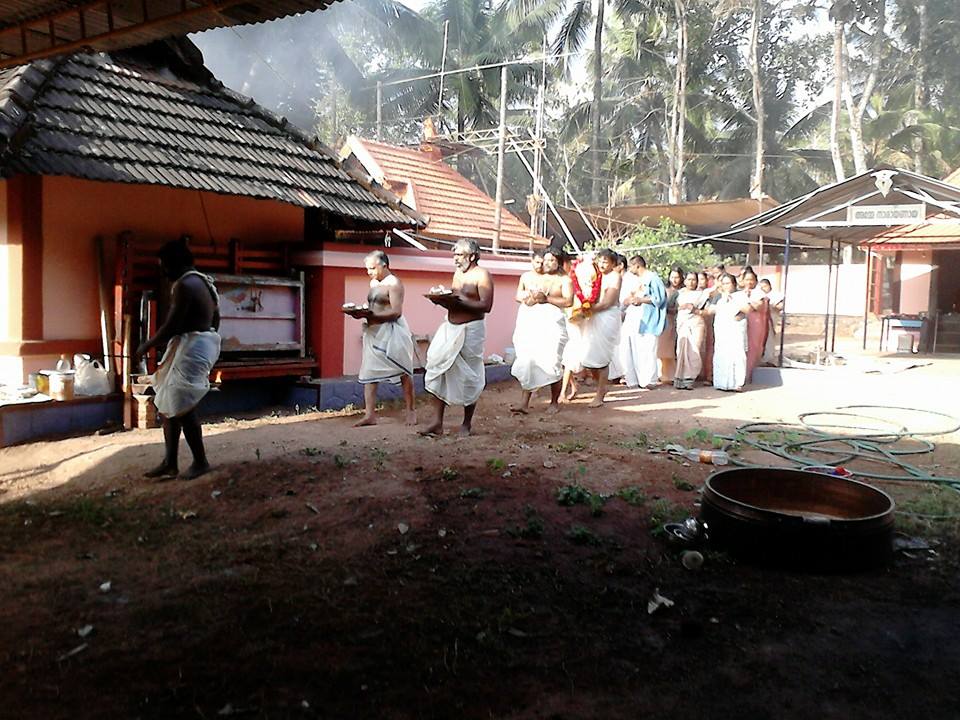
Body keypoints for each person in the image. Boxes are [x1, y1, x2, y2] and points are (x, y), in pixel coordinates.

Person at [136, 239, 221, 480]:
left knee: (182, 405)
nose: (162, 272)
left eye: (164, 266)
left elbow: (173, 324)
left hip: (193, 347)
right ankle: (169, 462)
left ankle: (200, 462)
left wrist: (147, 345)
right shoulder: (203, 281)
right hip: (200, 344)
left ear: (175, 263)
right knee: (169, 403)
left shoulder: (184, 285)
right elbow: (216, 319)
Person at [421, 238, 494, 436]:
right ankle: (437, 422)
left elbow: (486, 306)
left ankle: (466, 423)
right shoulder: (458, 274)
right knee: (439, 367)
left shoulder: (482, 275)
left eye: (459, 255)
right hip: (450, 327)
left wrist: (460, 301)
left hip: (471, 330)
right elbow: (455, 301)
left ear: (471, 256)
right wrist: (442, 300)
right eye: (454, 255)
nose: (455, 259)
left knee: (469, 375)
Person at [348, 250, 416, 427]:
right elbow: (374, 306)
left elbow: (396, 311)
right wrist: (362, 313)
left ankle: (411, 411)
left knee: (404, 370)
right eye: (367, 268)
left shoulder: (394, 283)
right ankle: (369, 414)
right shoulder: (373, 283)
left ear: (384, 265)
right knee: (369, 371)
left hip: (392, 331)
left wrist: (373, 315)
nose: (369, 272)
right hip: (373, 331)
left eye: (372, 268)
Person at [510, 249, 573, 414]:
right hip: (532, 324)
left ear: (558, 261)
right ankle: (524, 403)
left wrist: (547, 299)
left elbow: (568, 301)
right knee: (529, 361)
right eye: (546, 260)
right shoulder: (535, 277)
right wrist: (530, 299)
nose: (547, 263)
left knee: (552, 362)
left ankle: (554, 402)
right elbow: (523, 296)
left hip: (553, 323)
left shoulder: (564, 280)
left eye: (552, 260)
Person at [575, 248, 622, 407]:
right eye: (600, 260)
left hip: (606, 316)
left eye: (606, 261)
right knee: (589, 358)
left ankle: (600, 394)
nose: (602, 264)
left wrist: (587, 309)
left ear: (613, 264)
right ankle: (601, 388)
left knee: (602, 357)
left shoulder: (615, 277)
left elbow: (608, 302)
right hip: (593, 316)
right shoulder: (595, 274)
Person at [618, 255, 666, 389]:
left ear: (637, 266)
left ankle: (650, 380)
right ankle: (635, 380)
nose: (630, 269)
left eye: (631, 266)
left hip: (649, 319)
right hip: (636, 319)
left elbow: (659, 299)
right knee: (634, 350)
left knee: (648, 350)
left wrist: (641, 300)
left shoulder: (653, 278)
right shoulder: (636, 280)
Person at [708, 272, 753, 391]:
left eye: (728, 283)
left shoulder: (740, 295)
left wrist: (733, 300)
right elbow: (710, 310)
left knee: (737, 354)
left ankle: (737, 383)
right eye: (723, 283)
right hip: (722, 329)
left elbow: (748, 309)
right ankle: (721, 382)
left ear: (733, 284)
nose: (725, 286)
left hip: (735, 329)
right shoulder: (718, 297)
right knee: (721, 353)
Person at [674, 271, 708, 389]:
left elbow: (706, 309)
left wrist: (693, 309)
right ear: (684, 281)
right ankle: (680, 378)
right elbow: (671, 307)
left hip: (696, 323)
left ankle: (690, 378)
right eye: (689, 279)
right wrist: (682, 307)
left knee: (694, 350)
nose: (691, 282)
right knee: (682, 350)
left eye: (694, 280)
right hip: (683, 323)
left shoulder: (703, 294)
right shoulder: (679, 294)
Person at [740, 268, 769, 380]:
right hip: (741, 323)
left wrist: (748, 300)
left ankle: (748, 375)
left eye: (751, 280)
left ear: (756, 281)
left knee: (752, 348)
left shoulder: (759, 293)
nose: (749, 282)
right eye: (747, 280)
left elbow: (758, 306)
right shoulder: (739, 292)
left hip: (755, 323)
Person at [657, 267, 683, 382]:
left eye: (677, 277)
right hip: (666, 321)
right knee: (664, 348)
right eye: (672, 277)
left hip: (680, 320)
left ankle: (676, 374)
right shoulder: (665, 290)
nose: (674, 280)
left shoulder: (683, 292)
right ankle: (664, 375)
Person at [760, 278, 785, 364]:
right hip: (761, 321)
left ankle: (768, 359)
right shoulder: (759, 295)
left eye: (765, 286)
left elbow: (780, 306)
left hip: (771, 320)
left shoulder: (775, 295)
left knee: (769, 340)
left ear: (769, 286)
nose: (763, 288)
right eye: (761, 287)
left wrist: (770, 304)